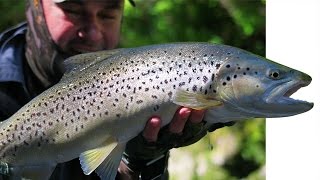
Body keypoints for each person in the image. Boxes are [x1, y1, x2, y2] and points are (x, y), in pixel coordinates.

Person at [0, 0, 234, 179]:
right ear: (35, 7)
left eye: (108, 14)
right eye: (73, 10)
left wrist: (141, 164)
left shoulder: (141, 83)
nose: (92, 32)